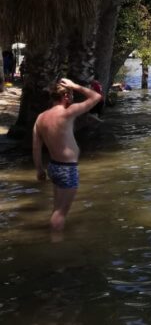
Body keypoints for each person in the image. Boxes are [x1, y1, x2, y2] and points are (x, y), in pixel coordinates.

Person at [32, 78, 102, 231]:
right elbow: (96, 97)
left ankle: (52, 236)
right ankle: (56, 242)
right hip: (67, 169)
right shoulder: (68, 112)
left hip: (53, 167)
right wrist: (75, 86)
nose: (72, 98)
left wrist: (39, 169)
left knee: (57, 208)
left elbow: (36, 147)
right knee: (61, 213)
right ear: (65, 96)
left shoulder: (40, 118)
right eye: (71, 95)